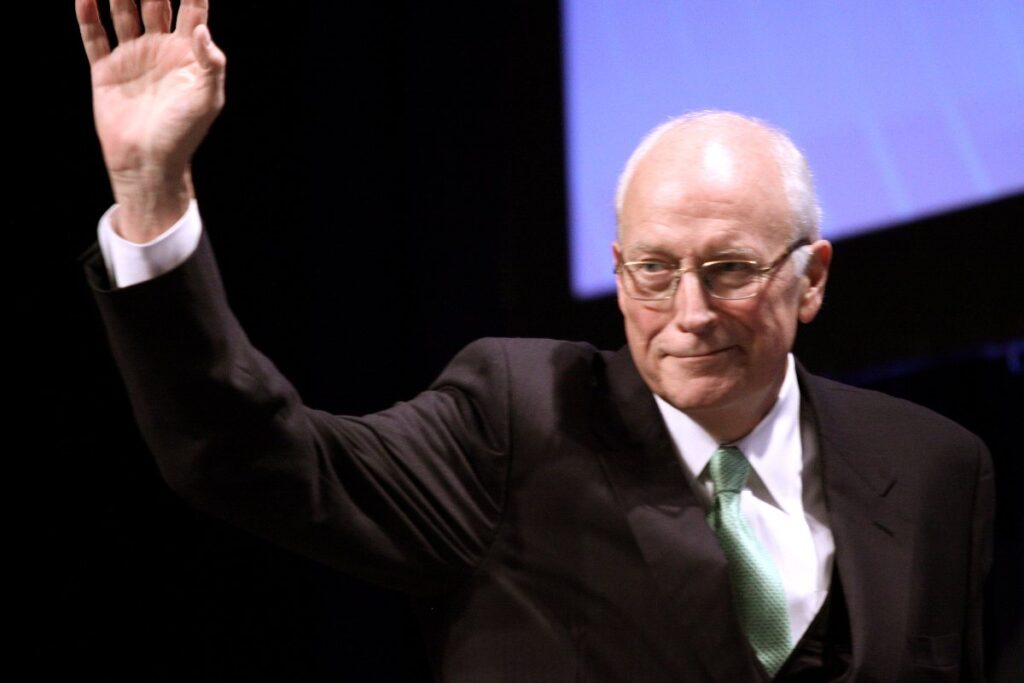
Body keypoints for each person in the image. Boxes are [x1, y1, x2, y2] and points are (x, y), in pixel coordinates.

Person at [77, 1, 994, 680]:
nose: (689, 313)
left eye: (729, 271)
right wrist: (153, 189)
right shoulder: (517, 418)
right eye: (652, 270)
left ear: (813, 276)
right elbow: (259, 455)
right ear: (617, 265)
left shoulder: (931, 468)